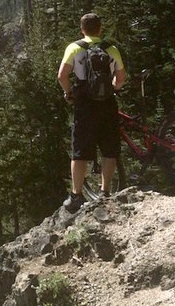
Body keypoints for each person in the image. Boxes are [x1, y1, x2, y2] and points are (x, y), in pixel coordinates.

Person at [57, 13, 126, 213]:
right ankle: (105, 193)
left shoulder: (75, 47)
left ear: (82, 30)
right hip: (107, 102)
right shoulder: (111, 49)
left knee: (80, 149)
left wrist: (69, 93)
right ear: (100, 29)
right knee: (109, 147)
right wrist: (113, 86)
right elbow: (121, 77)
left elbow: (62, 75)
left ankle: (76, 196)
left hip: (84, 103)